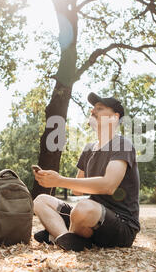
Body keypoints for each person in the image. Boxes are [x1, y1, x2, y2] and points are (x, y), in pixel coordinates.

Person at [32, 92, 140, 252]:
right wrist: (51, 179)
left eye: (100, 108)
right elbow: (76, 189)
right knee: (40, 200)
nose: (93, 111)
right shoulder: (89, 149)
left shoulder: (122, 145)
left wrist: (60, 180)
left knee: (83, 209)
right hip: (88, 218)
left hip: (121, 224)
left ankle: (56, 234)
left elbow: (109, 185)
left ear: (114, 117)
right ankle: (65, 237)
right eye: (92, 109)